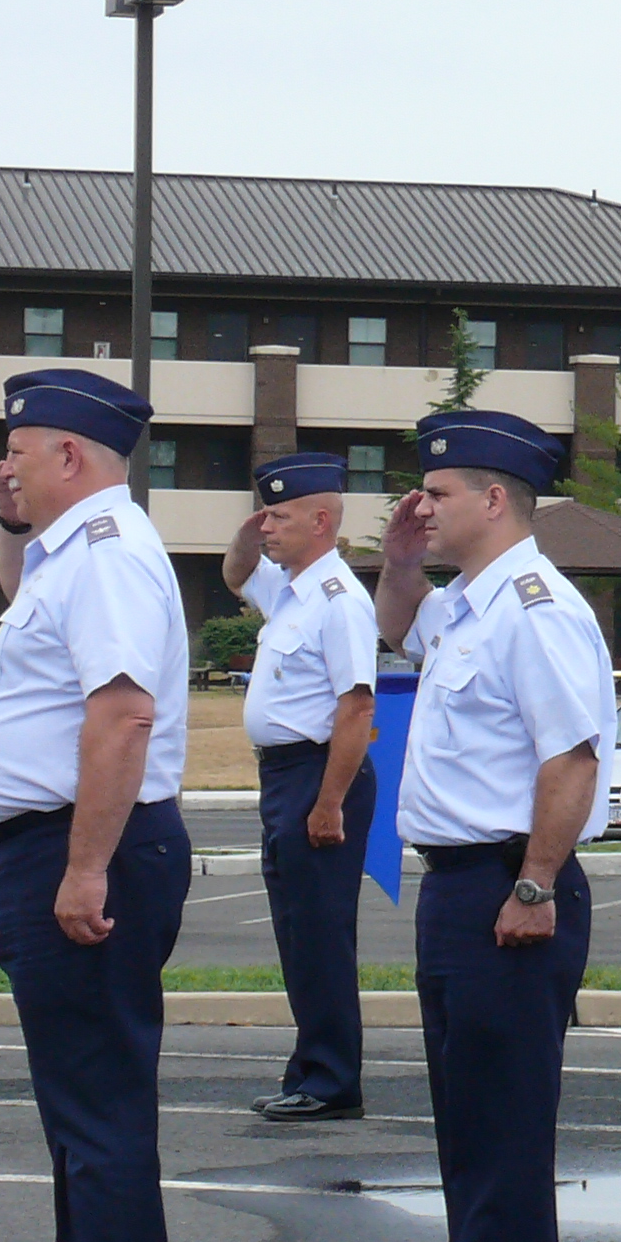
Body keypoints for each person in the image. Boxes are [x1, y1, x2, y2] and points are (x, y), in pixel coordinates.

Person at [0, 367, 191, 1242]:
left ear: (71, 456)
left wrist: (85, 866)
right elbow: (32, 618)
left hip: (83, 847)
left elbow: (123, 714)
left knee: (95, 1105)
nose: (2, 466)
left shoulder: (107, 555)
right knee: (81, 1105)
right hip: (54, 845)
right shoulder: (71, 553)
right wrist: (13, 522)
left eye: (17, 451)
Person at [369, 408, 619, 1242]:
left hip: (509, 883)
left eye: (437, 494)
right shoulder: (468, 604)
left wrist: (535, 884)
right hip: (460, 884)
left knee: (503, 1118)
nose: (422, 506)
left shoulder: (535, 609)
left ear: (495, 498)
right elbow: (395, 626)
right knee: (468, 1115)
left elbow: (571, 759)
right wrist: (399, 561)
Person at [219, 452, 381, 1122]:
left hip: (318, 773)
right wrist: (248, 528)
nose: (269, 528)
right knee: (296, 931)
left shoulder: (339, 601)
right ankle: (311, 1068)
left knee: (319, 934)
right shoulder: (291, 590)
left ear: (321, 521)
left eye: (280, 517)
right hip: (285, 774)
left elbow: (357, 708)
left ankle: (332, 1080)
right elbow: (235, 574)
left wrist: (329, 803)